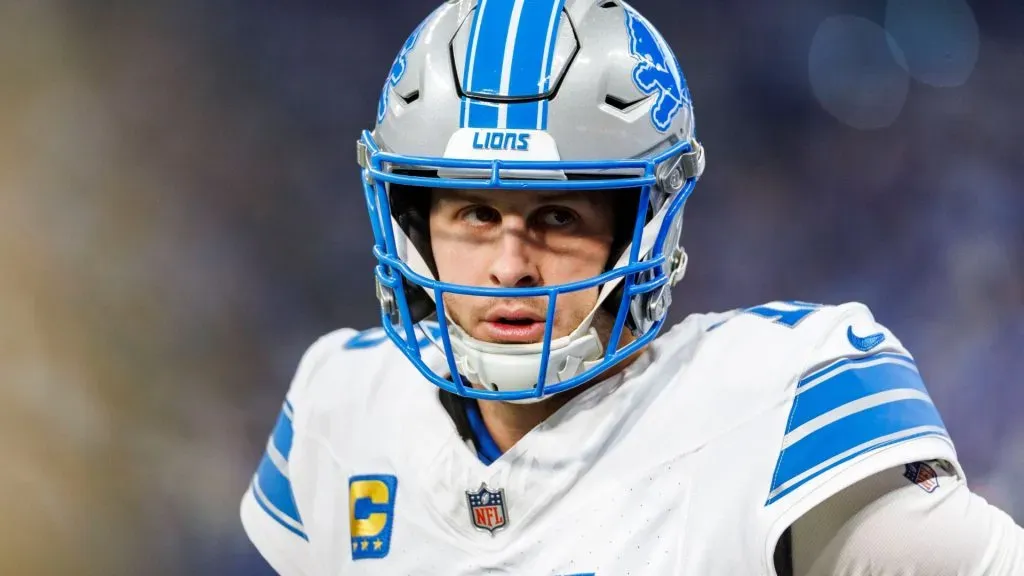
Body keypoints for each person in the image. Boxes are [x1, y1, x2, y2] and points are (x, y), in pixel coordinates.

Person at [240, 1, 1024, 574]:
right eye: (476, 214)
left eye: (556, 215)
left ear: (642, 226)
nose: (511, 265)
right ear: (415, 225)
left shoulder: (774, 406)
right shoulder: (340, 406)